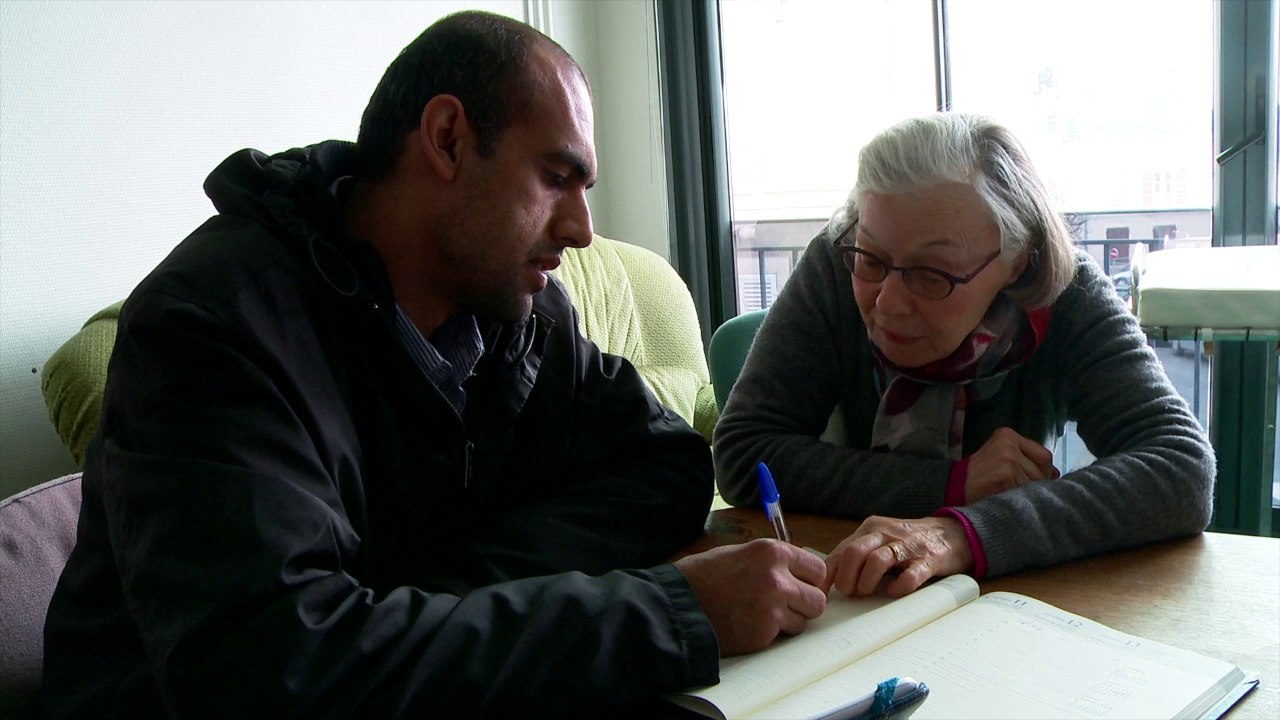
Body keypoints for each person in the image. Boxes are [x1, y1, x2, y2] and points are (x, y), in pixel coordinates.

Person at [42, 11, 828, 718]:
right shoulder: (213, 326)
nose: (583, 228)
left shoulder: (515, 315)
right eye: (557, 177)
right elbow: (274, 671)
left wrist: (438, 591)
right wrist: (665, 613)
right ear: (448, 138)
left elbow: (663, 467)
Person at [714, 112, 1215, 599]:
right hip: (841, 589)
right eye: (870, 260)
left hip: (1009, 604)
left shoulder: (1068, 296)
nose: (887, 303)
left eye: (932, 274)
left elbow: (1180, 469)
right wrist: (951, 484)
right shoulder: (833, 263)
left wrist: (962, 533)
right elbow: (743, 453)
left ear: (1016, 261)